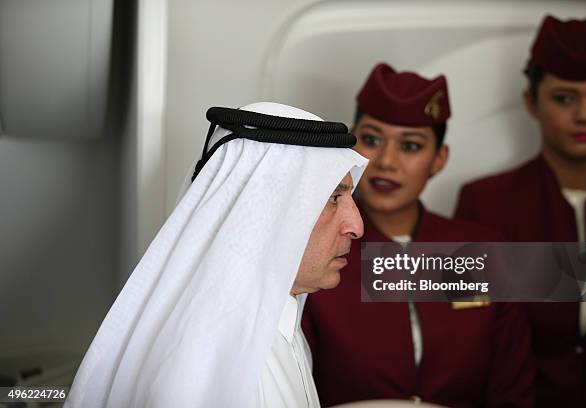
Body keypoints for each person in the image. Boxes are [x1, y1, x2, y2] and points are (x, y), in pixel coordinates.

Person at [64, 102, 367, 408]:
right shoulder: (204, 366)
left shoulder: (279, 327)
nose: (356, 226)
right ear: (265, 211)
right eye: (333, 198)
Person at [302, 63, 534, 407]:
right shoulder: (318, 250)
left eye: (410, 146)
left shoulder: (479, 249)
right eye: (371, 140)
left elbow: (512, 386)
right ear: (349, 144)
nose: (386, 162)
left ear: (439, 159)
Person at [454, 15, 586, 407]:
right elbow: (467, 335)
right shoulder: (484, 204)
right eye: (564, 97)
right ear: (531, 101)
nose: (585, 115)